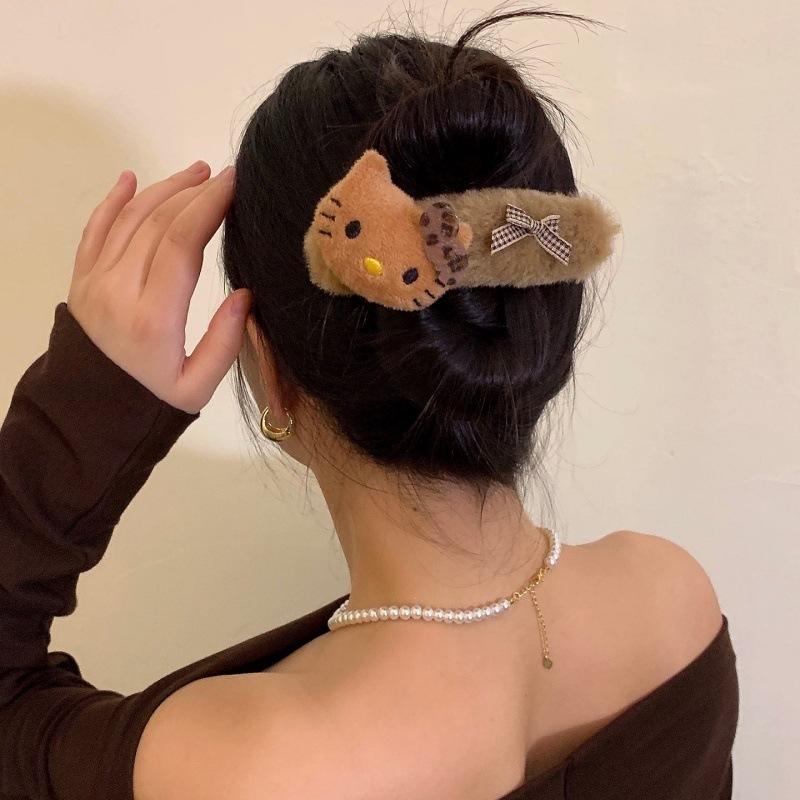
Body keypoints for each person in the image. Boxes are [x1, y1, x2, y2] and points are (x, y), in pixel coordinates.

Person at [0, 8, 738, 800]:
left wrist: (89, 405)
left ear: (270, 373)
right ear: (540, 333)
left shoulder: (240, 766)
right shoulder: (672, 603)